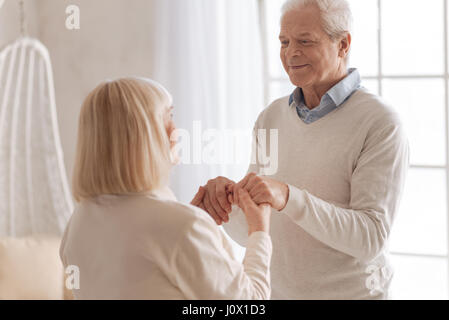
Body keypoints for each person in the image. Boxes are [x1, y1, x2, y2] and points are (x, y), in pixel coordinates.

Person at [193, 0, 409, 299]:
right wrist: (225, 205)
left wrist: (289, 197)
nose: (291, 53)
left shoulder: (380, 122)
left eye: (305, 41)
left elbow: (370, 238)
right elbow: (256, 231)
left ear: (343, 44)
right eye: (284, 41)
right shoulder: (271, 116)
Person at [59, 77, 273, 300]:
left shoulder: (77, 223)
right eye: (168, 115)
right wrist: (259, 231)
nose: (176, 129)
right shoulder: (181, 227)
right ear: (143, 134)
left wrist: (197, 225)